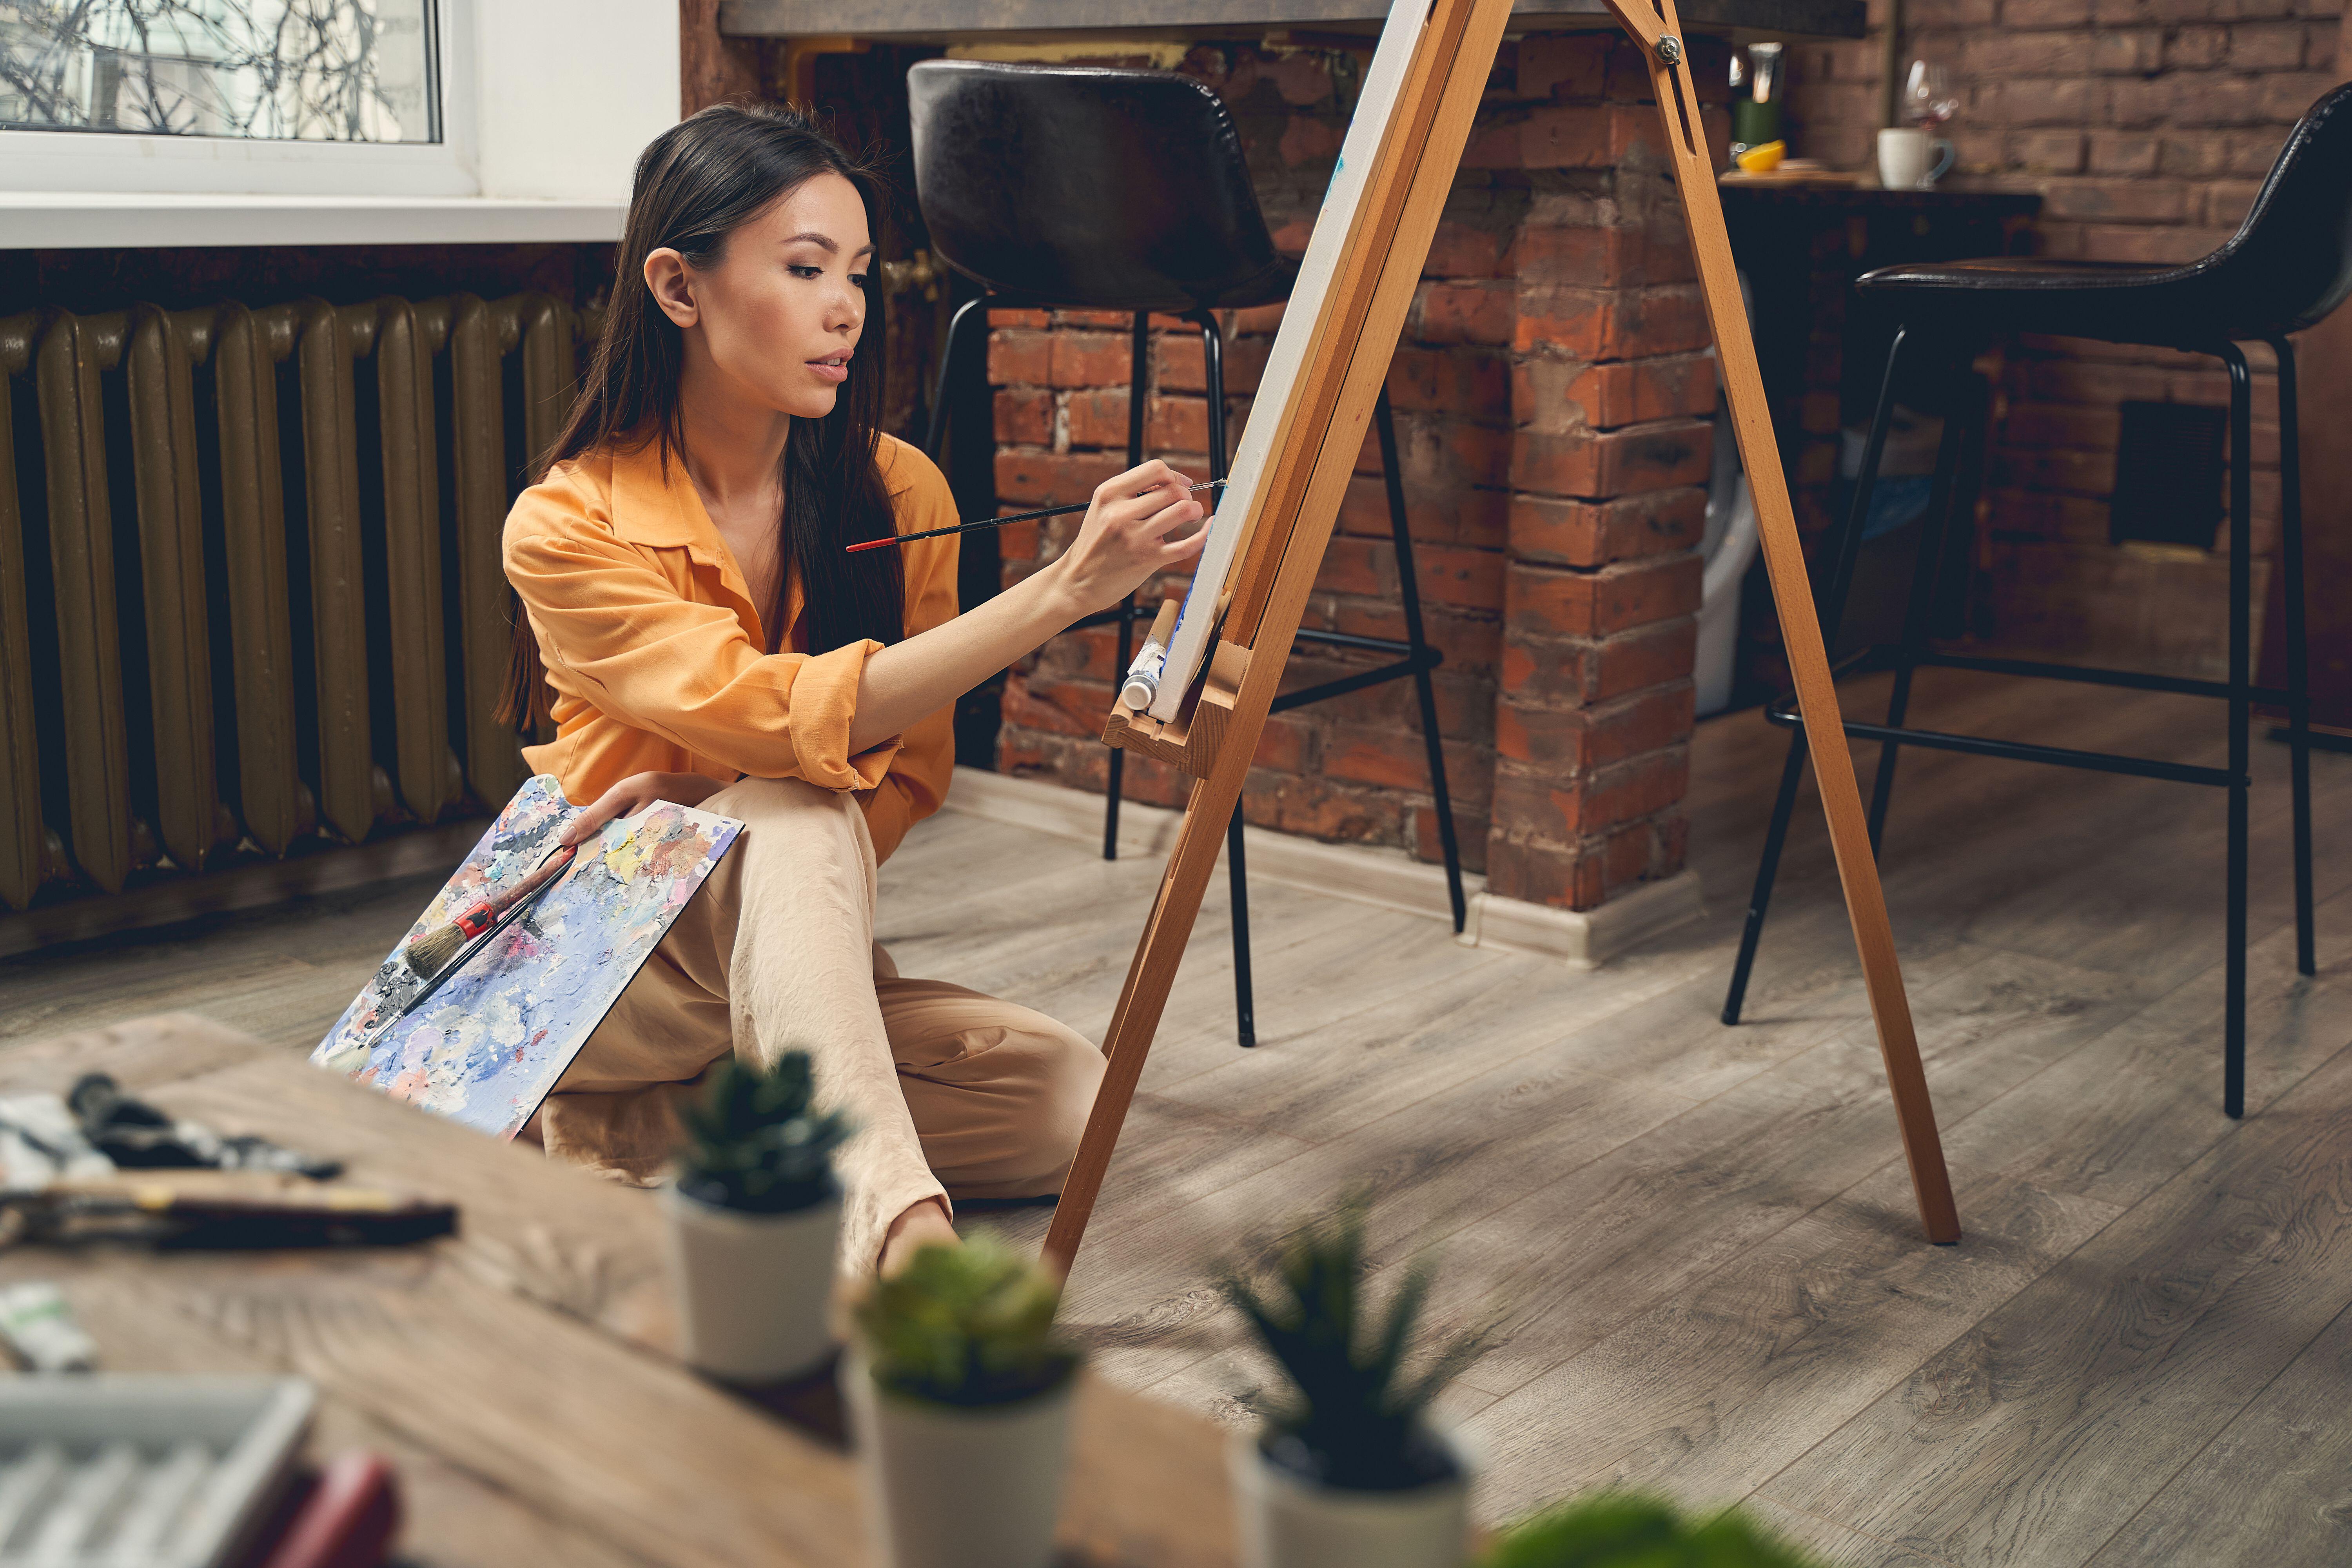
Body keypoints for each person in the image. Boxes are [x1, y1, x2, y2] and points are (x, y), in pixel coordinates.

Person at [499, 102, 1205, 1276]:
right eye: (805, 267)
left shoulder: (902, 491)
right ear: (680, 289)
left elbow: (911, 775)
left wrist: (717, 795)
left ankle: (613, 1138)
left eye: (862, 276)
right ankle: (899, 1245)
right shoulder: (566, 523)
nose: (846, 309)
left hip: (794, 951)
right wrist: (1060, 594)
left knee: (1067, 1104)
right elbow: (775, 717)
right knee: (791, 801)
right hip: (610, 971)